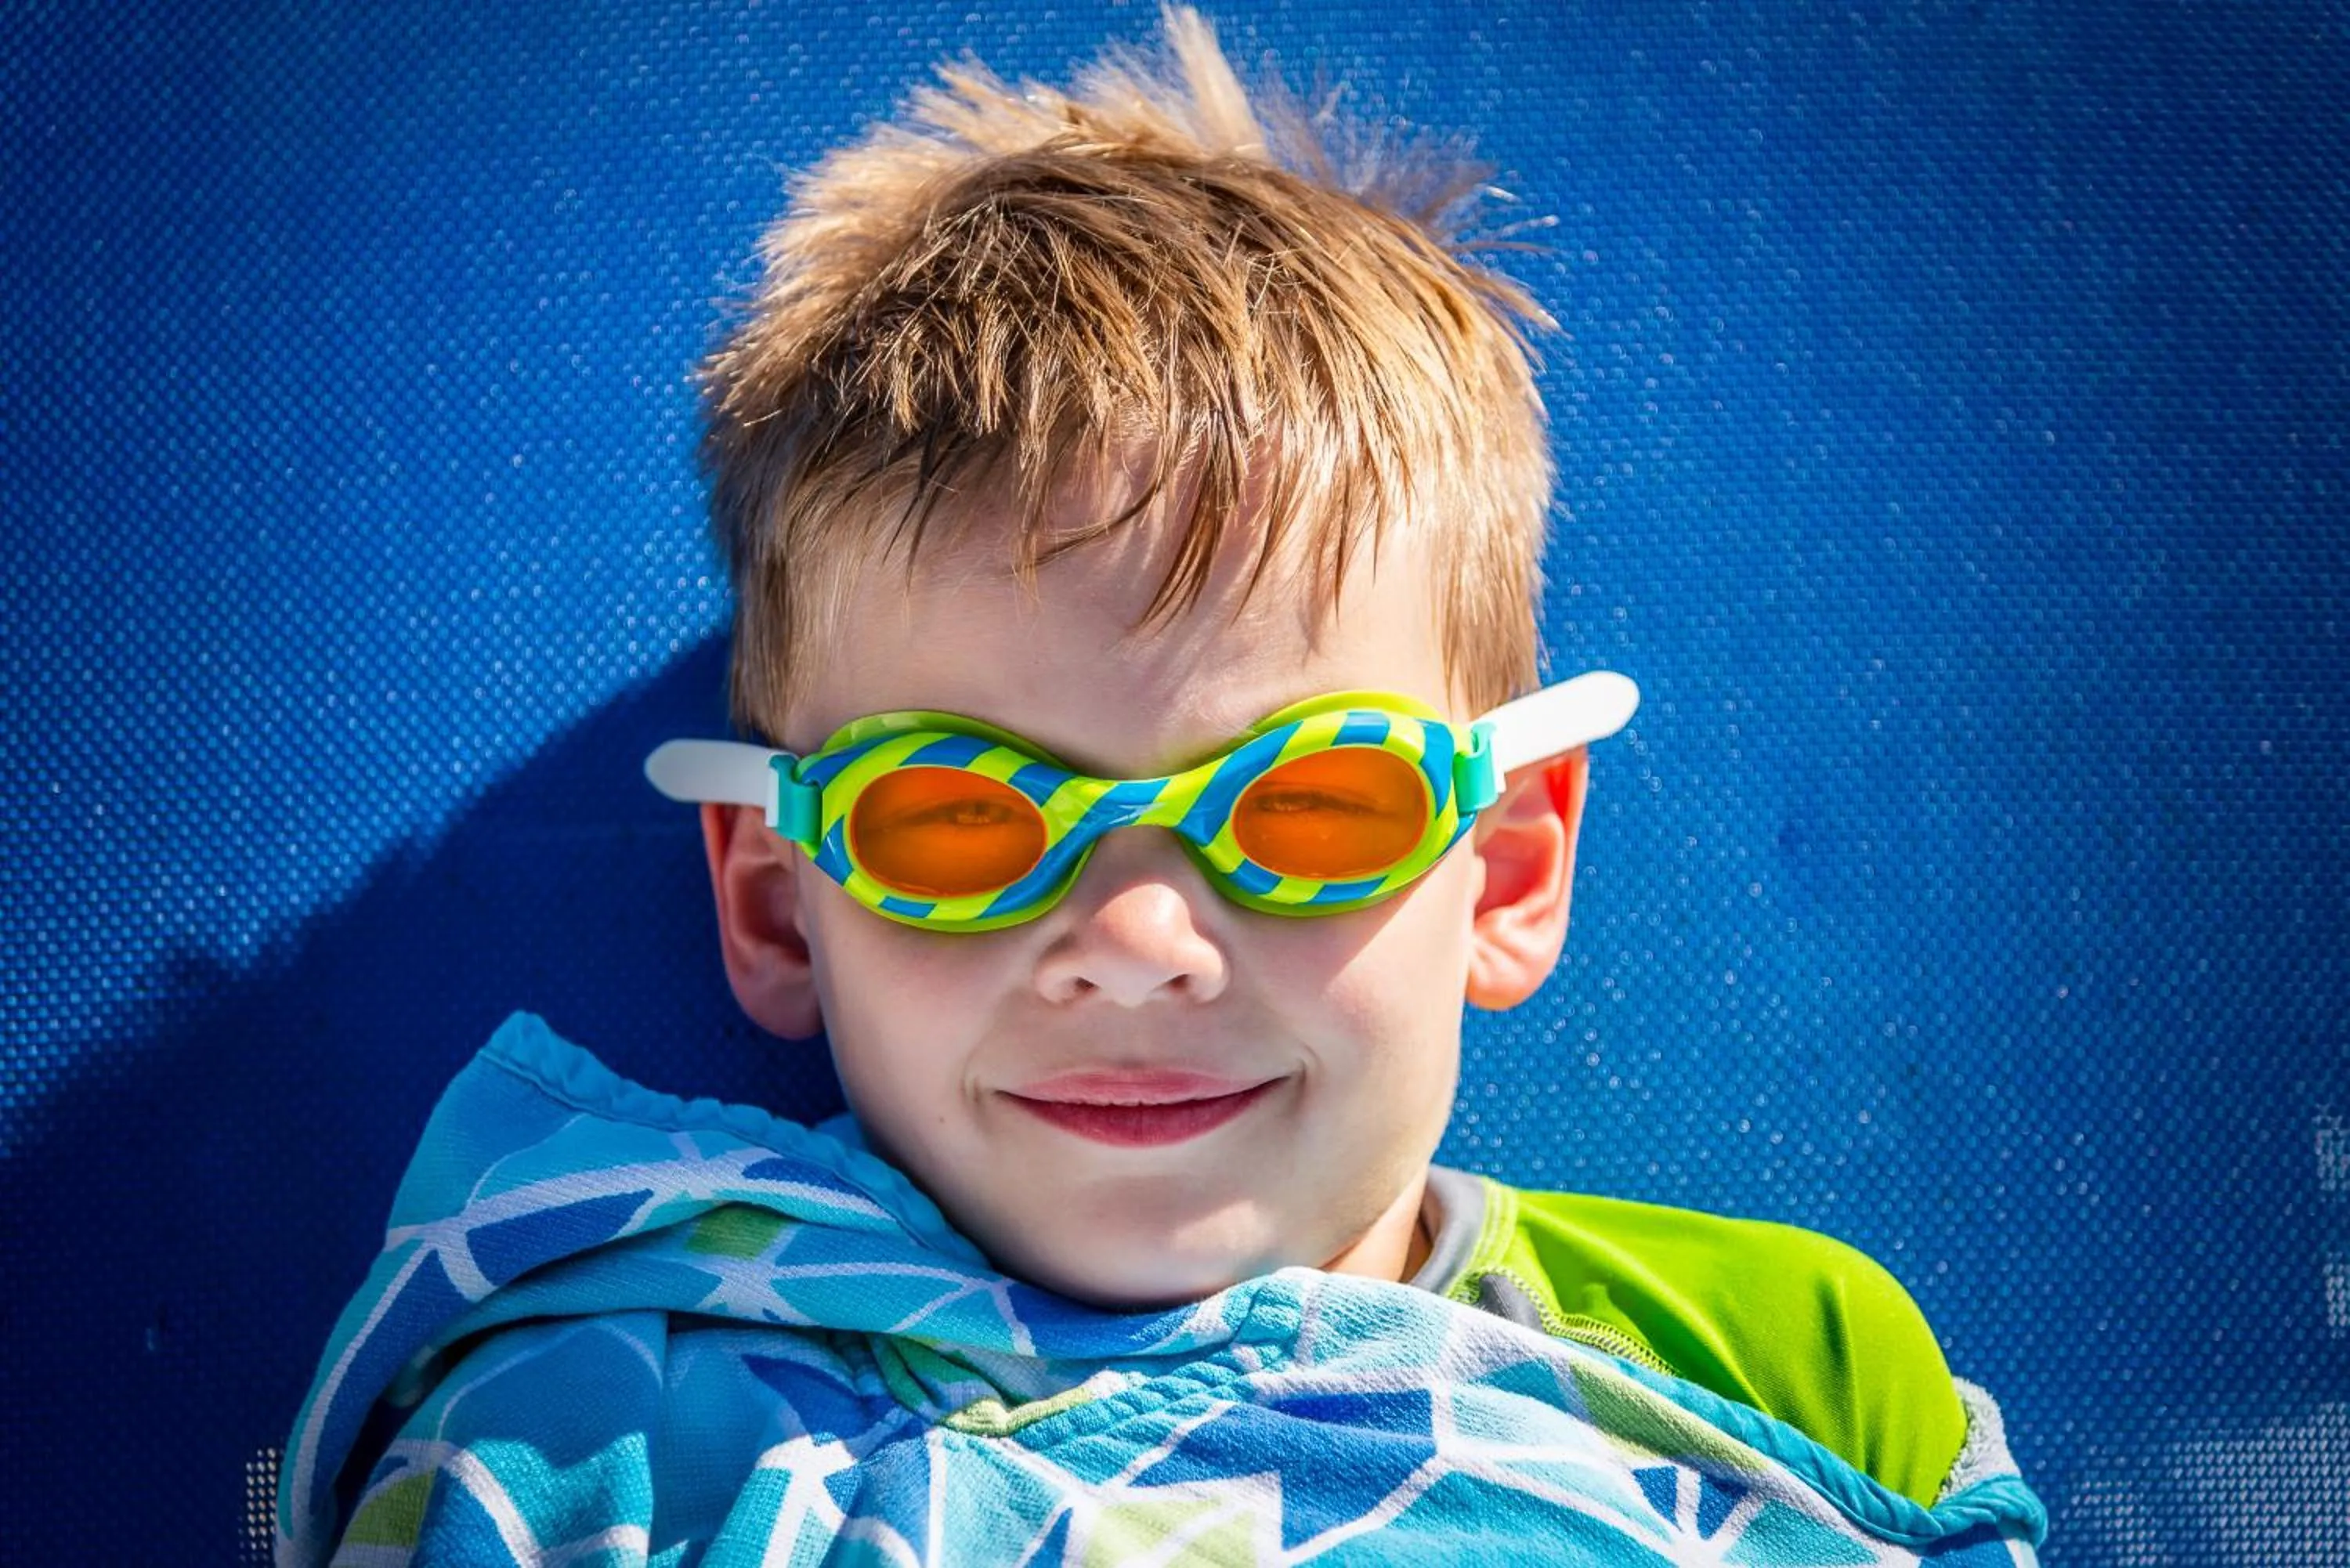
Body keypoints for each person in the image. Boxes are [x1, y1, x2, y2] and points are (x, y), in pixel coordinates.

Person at [277, 8, 2042, 1562]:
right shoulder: (607, 1437)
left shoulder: (1789, 1382)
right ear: (774, 895)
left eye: (1310, 806)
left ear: (1506, 869)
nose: (1133, 942)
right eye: (958, 815)